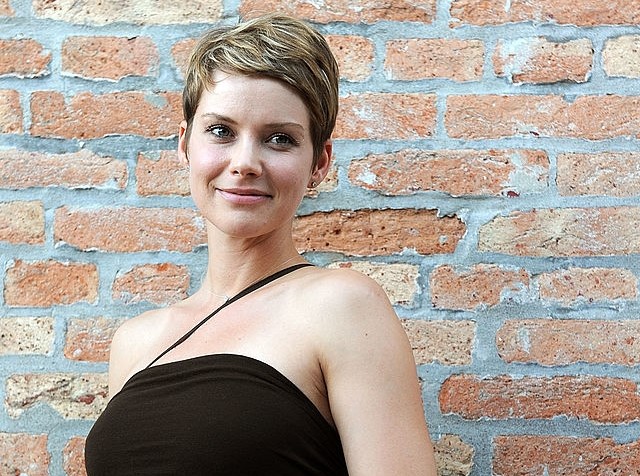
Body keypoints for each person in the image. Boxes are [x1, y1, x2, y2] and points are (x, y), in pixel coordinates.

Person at [84, 13, 437, 476]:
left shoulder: (342, 307)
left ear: (319, 163)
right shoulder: (135, 341)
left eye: (279, 139)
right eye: (221, 131)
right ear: (185, 144)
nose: (245, 162)